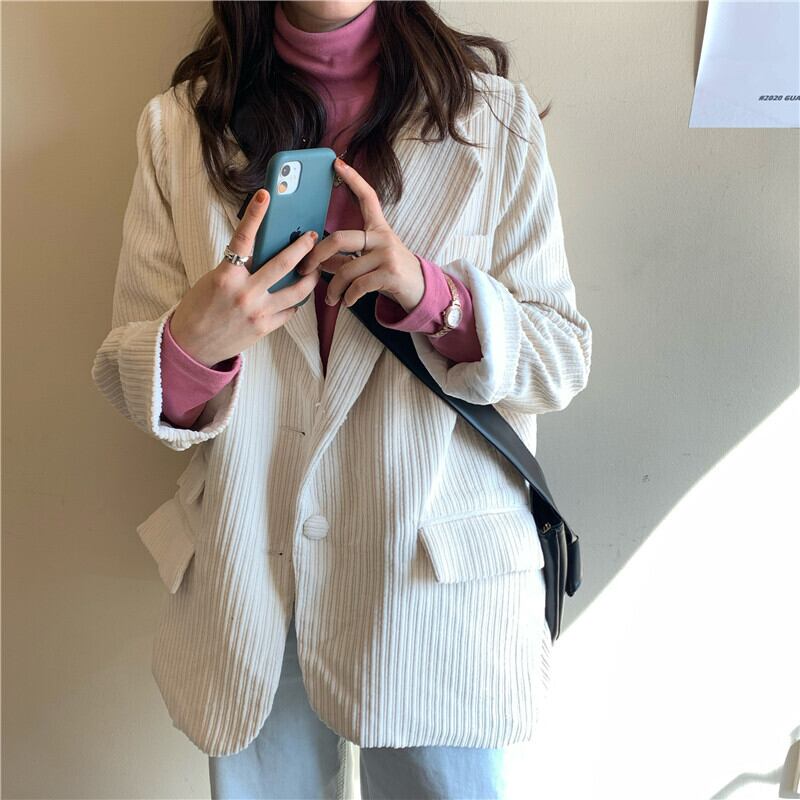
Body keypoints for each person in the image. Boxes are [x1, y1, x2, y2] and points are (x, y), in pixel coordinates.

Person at [91, 1, 593, 797]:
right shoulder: (179, 130)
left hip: (435, 598)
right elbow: (134, 382)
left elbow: (561, 358)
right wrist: (193, 345)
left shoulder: (493, 120)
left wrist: (438, 299)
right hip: (252, 592)